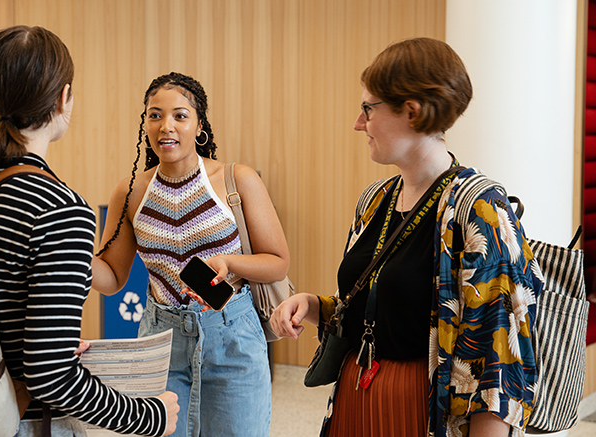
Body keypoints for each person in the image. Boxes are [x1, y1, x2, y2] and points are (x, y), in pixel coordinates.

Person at [271, 37, 543, 437]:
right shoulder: (375, 199)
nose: (358, 123)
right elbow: (381, 311)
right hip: (354, 396)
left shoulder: (478, 210)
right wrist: (313, 305)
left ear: (411, 112)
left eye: (368, 108)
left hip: (422, 408)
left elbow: (498, 364)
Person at [0, 26, 178, 436]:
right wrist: (149, 415)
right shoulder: (60, 209)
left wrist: (49, 340)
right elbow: (51, 377)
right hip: (12, 420)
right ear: (63, 98)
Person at [92, 72, 290, 437]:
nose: (166, 126)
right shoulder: (131, 192)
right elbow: (111, 278)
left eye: (180, 116)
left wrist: (230, 263)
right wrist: (69, 256)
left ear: (199, 126)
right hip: (161, 343)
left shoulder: (237, 179)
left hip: (232, 340)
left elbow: (277, 262)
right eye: (155, 115)